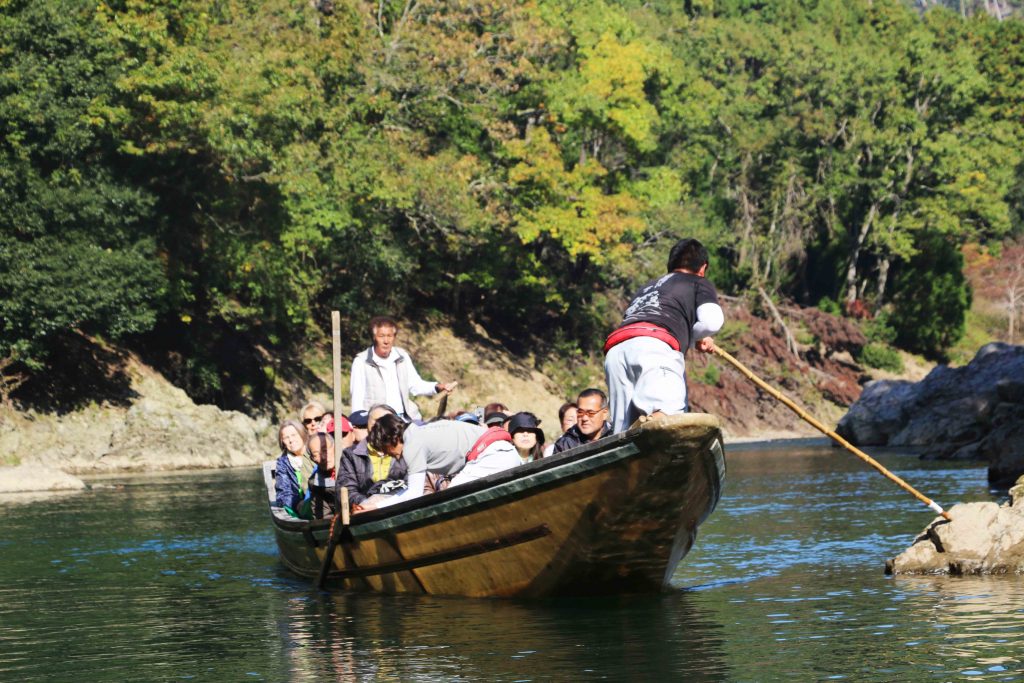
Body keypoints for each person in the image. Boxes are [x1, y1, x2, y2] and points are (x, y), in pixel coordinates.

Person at [603, 237, 724, 433]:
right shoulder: (697, 282)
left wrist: (693, 339)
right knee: (668, 417)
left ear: (671, 264)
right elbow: (712, 321)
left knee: (622, 433)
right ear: (702, 268)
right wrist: (695, 338)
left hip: (616, 351)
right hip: (654, 348)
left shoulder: (648, 287)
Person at [367, 414, 519, 507]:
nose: (389, 455)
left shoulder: (412, 444)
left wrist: (377, 507)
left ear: (390, 439)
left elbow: (414, 494)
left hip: (492, 457)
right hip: (509, 453)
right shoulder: (424, 431)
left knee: (450, 500)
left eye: (385, 449)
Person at [349, 316, 457, 421]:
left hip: (404, 420)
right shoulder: (361, 361)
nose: (386, 341)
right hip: (377, 422)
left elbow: (415, 385)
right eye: (381, 336)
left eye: (390, 336)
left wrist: (437, 387)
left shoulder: (402, 356)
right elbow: (357, 400)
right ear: (374, 337)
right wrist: (359, 425)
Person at [552, 388, 613, 454]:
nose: (584, 418)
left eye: (591, 413)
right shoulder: (565, 445)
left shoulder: (615, 435)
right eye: (580, 412)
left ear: (604, 413)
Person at [273, 419, 313, 518]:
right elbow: (284, 492)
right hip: (301, 509)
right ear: (282, 442)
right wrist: (297, 505)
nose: (291, 440)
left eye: (294, 435)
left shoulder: (314, 452)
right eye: (286, 437)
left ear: (302, 434)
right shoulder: (283, 463)